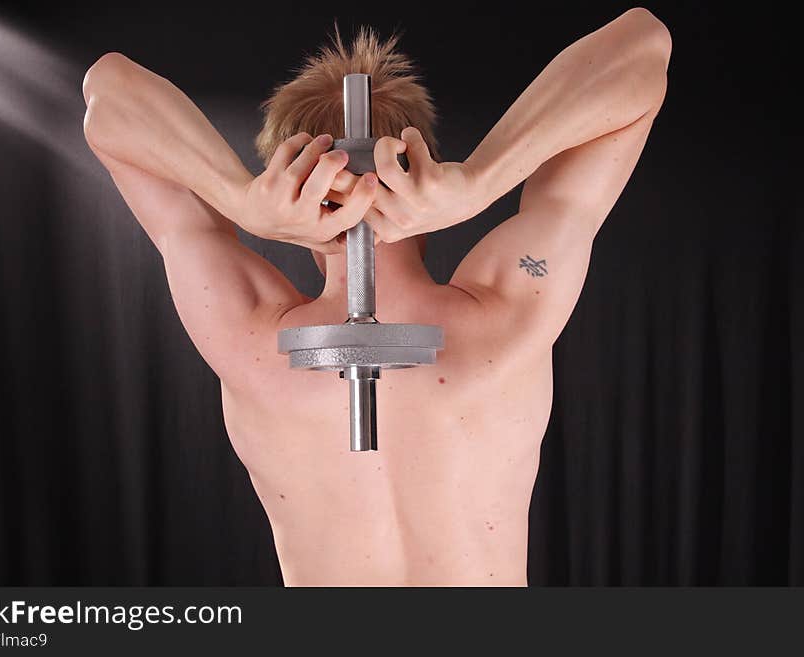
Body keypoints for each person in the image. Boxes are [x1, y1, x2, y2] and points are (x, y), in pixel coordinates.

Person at [81, 7, 671, 585]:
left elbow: (107, 91)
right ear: (419, 166)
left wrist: (236, 196)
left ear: (295, 181)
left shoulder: (249, 338)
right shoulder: (507, 312)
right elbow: (643, 45)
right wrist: (483, 179)